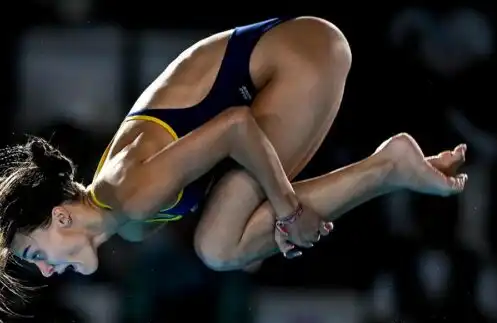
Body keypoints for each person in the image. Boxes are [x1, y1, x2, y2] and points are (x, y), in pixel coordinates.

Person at [0, 17, 467, 292]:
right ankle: (389, 166)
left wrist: (285, 212)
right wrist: (261, 239)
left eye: (35, 252)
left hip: (298, 58)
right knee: (225, 247)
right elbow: (224, 168)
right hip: (287, 66)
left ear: (61, 218)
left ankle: (389, 167)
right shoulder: (128, 221)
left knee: (217, 247)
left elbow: (236, 127)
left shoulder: (125, 195)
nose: (44, 269)